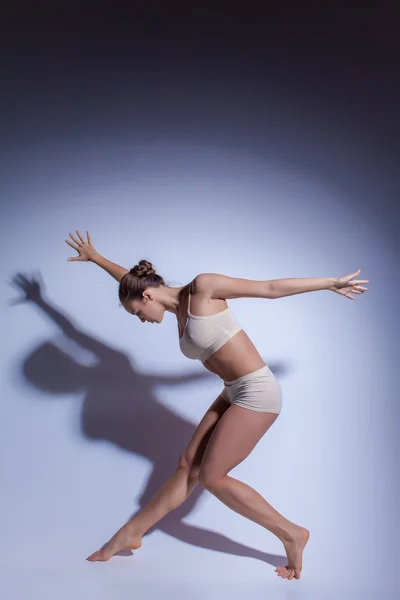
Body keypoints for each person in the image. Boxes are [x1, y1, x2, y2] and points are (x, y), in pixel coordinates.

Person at [65, 230, 368, 580]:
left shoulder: (203, 288)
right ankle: (129, 534)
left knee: (212, 477)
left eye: (137, 313)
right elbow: (129, 283)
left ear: (147, 296)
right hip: (233, 390)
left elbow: (269, 289)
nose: (142, 320)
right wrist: (97, 258)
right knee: (186, 466)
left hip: (257, 392)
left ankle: (291, 533)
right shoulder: (166, 305)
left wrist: (330, 283)